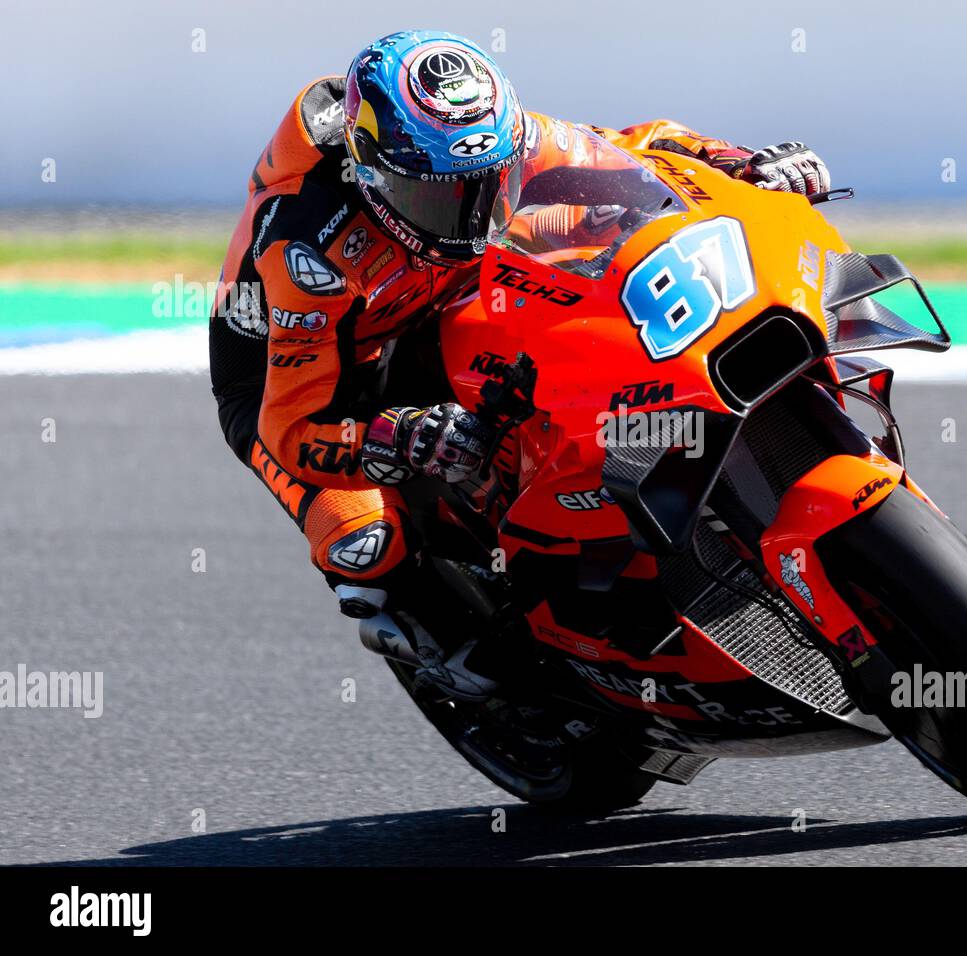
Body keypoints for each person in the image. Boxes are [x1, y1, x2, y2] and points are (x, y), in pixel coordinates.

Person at [207, 30, 831, 700]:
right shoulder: (309, 247)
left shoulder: (483, 143)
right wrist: (399, 437)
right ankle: (443, 641)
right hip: (308, 372)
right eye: (439, 197)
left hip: (439, 292)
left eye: (486, 185)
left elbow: (631, 151)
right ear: (371, 173)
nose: (471, 217)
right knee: (364, 541)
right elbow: (291, 426)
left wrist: (741, 164)